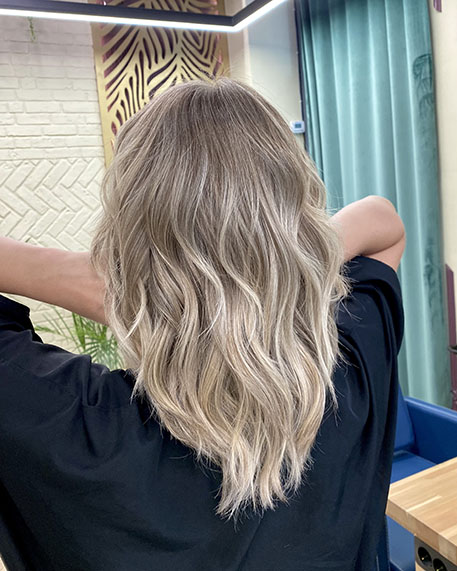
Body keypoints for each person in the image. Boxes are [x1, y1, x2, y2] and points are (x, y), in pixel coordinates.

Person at [0, 78, 405, 571]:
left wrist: (122, 292)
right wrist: (284, 271)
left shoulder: (66, 428)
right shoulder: (350, 376)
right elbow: (383, 223)